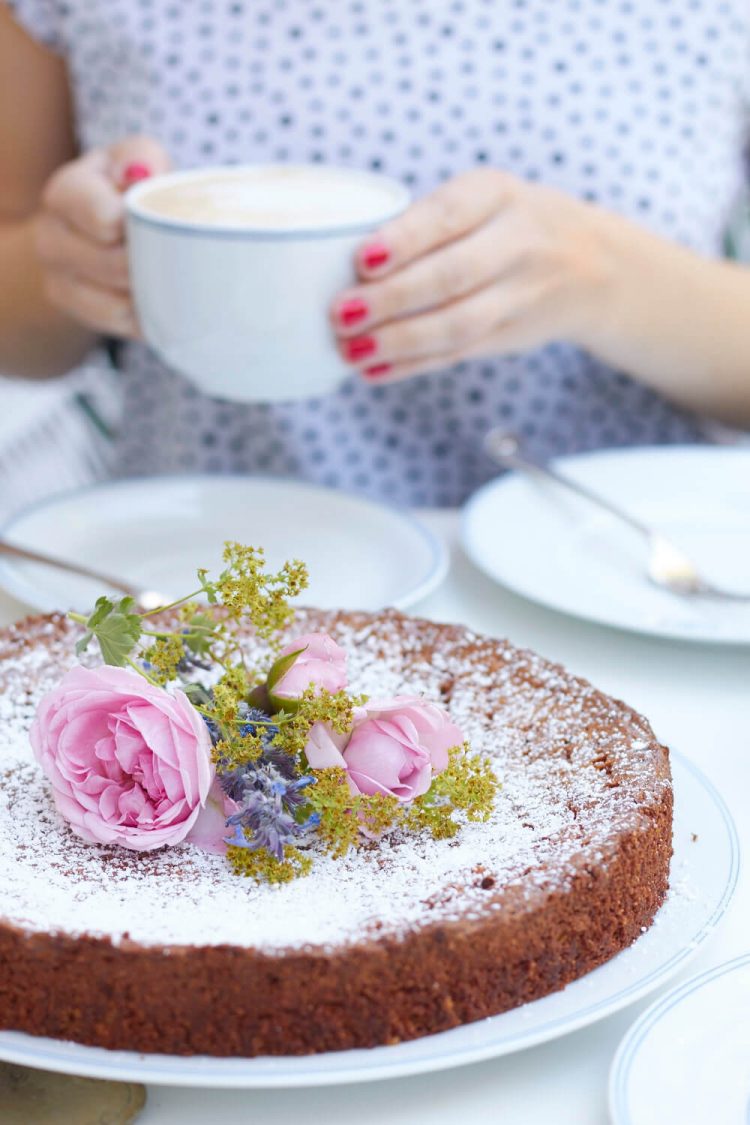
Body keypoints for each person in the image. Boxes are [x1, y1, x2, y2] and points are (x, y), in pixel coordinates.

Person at [1, 0, 749, 507]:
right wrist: (64, 262)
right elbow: (15, 320)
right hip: (211, 575)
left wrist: (604, 276)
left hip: (615, 575)